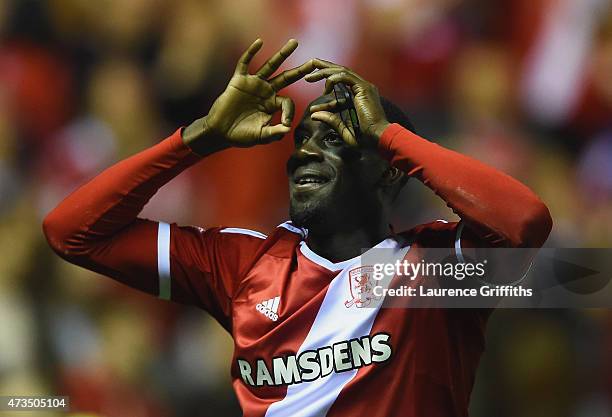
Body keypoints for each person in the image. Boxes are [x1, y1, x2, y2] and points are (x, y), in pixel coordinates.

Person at [43, 39, 552, 417]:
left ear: (389, 167)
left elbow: (524, 219)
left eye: (334, 138)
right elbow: (72, 231)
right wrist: (200, 138)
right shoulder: (242, 265)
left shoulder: (437, 270)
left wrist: (389, 135)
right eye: (302, 140)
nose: (305, 151)